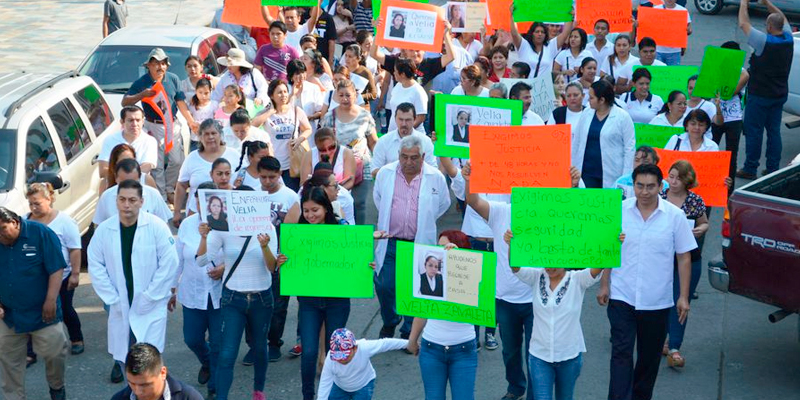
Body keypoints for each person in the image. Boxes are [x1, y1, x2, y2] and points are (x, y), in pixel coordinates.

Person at [596, 164, 695, 400]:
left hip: (656, 302)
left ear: (661, 187)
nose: (645, 192)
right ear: (634, 185)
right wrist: (604, 283)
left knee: (649, 359)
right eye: (640, 185)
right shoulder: (618, 211)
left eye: (651, 186)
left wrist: (682, 296)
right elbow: (609, 251)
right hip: (622, 297)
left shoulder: (675, 217)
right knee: (621, 354)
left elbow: (684, 256)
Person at [88, 179, 179, 385]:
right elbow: (95, 263)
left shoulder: (156, 226)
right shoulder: (105, 230)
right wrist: (112, 297)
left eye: (132, 200)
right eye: (122, 199)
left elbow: (169, 262)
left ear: (141, 201)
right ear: (116, 201)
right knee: (124, 360)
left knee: (149, 364)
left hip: (150, 305)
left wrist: (151, 295)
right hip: (120, 305)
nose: (126, 205)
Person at [196, 186, 277, 400]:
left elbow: (272, 267)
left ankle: (258, 391)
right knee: (227, 353)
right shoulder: (223, 229)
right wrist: (204, 237)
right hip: (233, 298)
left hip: (261, 297)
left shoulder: (266, 227)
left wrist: (265, 247)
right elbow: (201, 260)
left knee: (260, 348)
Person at [502, 231, 605, 400]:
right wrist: (511, 244)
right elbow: (515, 267)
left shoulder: (578, 279)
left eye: (554, 261)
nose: (549, 267)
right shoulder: (536, 277)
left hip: (569, 357)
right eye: (546, 261)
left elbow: (598, 267)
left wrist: (612, 244)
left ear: (565, 258)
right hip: (539, 356)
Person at [275, 187, 355, 400]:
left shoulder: (342, 228)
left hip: (337, 301)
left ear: (326, 209)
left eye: (315, 210)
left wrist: (366, 265)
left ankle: (332, 394)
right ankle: (308, 396)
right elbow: (288, 265)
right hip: (309, 301)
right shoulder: (297, 234)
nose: (310, 215)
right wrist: (282, 262)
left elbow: (356, 259)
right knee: (309, 352)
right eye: (306, 210)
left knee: (333, 354)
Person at [373, 135, 450, 339]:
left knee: (414, 288)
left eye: (414, 158)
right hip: (391, 241)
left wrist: (424, 220)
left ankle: (409, 330)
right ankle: (390, 319)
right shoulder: (385, 174)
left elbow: (443, 204)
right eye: (404, 157)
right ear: (398, 155)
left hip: (418, 244)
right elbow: (378, 199)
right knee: (384, 284)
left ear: (423, 156)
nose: (408, 162)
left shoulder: (435, 177)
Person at [0, 207, 69, 400]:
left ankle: (57, 387)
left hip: (43, 312)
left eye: (2, 229)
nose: (0, 236)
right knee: (8, 360)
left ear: (14, 222)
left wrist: (50, 300)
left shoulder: (41, 233)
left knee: (55, 352)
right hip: (9, 315)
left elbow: (56, 268)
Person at [405, 232, 478, 400]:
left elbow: (479, 299)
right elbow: (423, 310)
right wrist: (412, 341)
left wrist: (461, 260)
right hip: (432, 348)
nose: (441, 251)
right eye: (439, 247)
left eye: (444, 247)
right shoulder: (431, 278)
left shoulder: (472, 274)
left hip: (463, 349)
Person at [123, 48, 197, 203]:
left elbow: (180, 102)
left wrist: (190, 121)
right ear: (148, 66)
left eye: (163, 63)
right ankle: (161, 196)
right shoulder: (142, 82)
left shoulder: (173, 79)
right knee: (156, 165)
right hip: (152, 125)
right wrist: (142, 95)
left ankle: (170, 189)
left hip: (172, 123)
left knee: (177, 160)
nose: (160, 67)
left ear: (167, 66)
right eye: (156, 63)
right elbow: (125, 101)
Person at [174, 181, 224, 398]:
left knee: (217, 343)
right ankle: (206, 363)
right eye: (198, 199)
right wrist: (171, 288)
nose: (203, 204)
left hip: (219, 294)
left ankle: (214, 385)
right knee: (192, 338)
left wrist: (223, 268)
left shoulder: (225, 224)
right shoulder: (187, 224)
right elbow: (177, 259)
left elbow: (238, 253)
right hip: (193, 293)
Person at [24, 183, 84, 357]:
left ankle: (76, 339)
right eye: (30, 204)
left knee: (64, 308)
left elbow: (74, 248)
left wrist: (75, 274)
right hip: (35, 278)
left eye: (37, 203)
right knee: (32, 311)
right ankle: (31, 350)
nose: (33, 207)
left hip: (62, 276)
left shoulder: (64, 221)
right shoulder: (25, 220)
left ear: (49, 199)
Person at [253, 156, 302, 361]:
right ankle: (259, 342)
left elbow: (296, 233)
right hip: (259, 258)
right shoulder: (253, 196)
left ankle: (274, 342)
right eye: (263, 177)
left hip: (283, 259)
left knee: (279, 305)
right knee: (262, 305)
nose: (267, 182)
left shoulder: (290, 197)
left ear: (280, 174)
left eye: (271, 177)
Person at [660, 160, 708, 369]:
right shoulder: (659, 198)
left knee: (681, 301)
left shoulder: (695, 200)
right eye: (671, 176)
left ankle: (674, 347)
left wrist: (702, 229)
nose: (673, 181)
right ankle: (661, 339)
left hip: (689, 258)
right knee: (660, 300)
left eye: (678, 177)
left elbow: (704, 222)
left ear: (687, 180)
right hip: (661, 258)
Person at [319, 79, 379, 224]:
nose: (345, 99)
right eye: (341, 95)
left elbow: (373, 142)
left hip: (362, 167)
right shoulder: (329, 117)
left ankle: (360, 241)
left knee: (359, 204)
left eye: (348, 95)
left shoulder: (365, 116)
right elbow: (323, 146)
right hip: (338, 169)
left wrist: (378, 166)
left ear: (355, 95)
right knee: (337, 203)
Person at [174, 119, 241, 225]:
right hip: (196, 214)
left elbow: (244, 178)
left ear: (220, 135)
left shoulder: (234, 155)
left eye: (214, 133)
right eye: (206, 134)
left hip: (229, 216)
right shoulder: (192, 157)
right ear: (200, 137)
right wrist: (177, 211)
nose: (210, 137)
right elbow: (182, 185)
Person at [572, 80, 636, 188]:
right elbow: (577, 142)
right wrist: (573, 166)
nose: (588, 100)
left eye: (592, 98)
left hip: (612, 172)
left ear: (602, 100)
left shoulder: (623, 117)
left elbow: (629, 149)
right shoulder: (586, 113)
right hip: (586, 172)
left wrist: (626, 177)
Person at [252, 79, 313, 191]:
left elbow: (308, 129)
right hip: (273, 163)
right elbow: (252, 125)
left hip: (291, 164)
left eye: (285, 92)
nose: (283, 95)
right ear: (271, 95)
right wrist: (270, 112)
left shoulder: (295, 111)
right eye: (279, 92)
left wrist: (300, 139)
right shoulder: (266, 113)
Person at [317, 328, 408, 400]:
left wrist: (409, 344)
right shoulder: (330, 359)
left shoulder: (364, 347)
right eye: (338, 356)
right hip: (340, 387)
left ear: (355, 348)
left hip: (363, 386)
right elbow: (325, 383)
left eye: (345, 356)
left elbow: (385, 344)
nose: (341, 359)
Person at [712, 41, 749, 193]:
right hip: (716, 114)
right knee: (710, 150)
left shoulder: (743, 73)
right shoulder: (715, 68)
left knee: (731, 156)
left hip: (734, 118)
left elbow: (730, 92)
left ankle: (729, 192)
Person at [111, 343, 204, 400]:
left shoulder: (188, 397)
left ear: (163, 373)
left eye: (145, 385)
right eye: (132, 383)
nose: (138, 391)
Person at [94, 159, 172, 226]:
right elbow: (99, 226)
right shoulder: (106, 197)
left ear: (140, 178)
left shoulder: (153, 195)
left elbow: (164, 225)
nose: (129, 187)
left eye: (133, 183)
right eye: (124, 183)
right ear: (116, 178)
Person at [371, 104, 436, 177]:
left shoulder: (426, 142)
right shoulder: (383, 141)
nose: (404, 124)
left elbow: (433, 170)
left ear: (414, 119)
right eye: (401, 119)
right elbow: (374, 170)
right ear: (395, 119)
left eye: (408, 120)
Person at [98, 106, 158, 181]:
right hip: (114, 186)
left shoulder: (150, 141)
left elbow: (147, 166)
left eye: (138, 120)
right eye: (130, 120)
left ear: (143, 121)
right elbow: (103, 171)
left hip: (140, 186)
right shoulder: (110, 140)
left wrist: (123, 176)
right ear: (122, 122)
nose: (135, 124)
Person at [386, 59, 428, 131]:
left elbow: (421, 117)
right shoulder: (398, 86)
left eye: (395, 71)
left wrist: (406, 130)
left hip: (411, 138)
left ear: (402, 74)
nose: (394, 73)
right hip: (394, 135)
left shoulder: (418, 91)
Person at [287, 60, 325, 139]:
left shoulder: (313, 88)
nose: (301, 76)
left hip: (309, 131)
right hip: (289, 131)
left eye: (303, 72)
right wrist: (292, 94)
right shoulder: (285, 89)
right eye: (297, 73)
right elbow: (282, 109)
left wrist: (310, 117)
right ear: (291, 76)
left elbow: (321, 110)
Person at [652, 0, 692, 66]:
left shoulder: (683, 11)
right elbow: (648, 26)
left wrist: (688, 30)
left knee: (673, 75)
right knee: (657, 74)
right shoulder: (655, 9)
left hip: (675, 51)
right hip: (658, 50)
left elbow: (689, 29)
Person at [342, 44, 378, 111]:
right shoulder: (343, 70)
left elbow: (374, 94)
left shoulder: (365, 72)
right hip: (345, 108)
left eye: (350, 56)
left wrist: (359, 97)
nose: (347, 59)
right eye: (346, 55)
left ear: (358, 58)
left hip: (361, 109)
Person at [187, 79, 218, 151]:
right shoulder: (192, 106)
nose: (203, 96)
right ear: (196, 91)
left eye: (206, 93)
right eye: (200, 92)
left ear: (210, 91)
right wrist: (193, 125)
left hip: (210, 139)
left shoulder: (214, 104)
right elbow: (188, 121)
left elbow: (217, 121)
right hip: (195, 139)